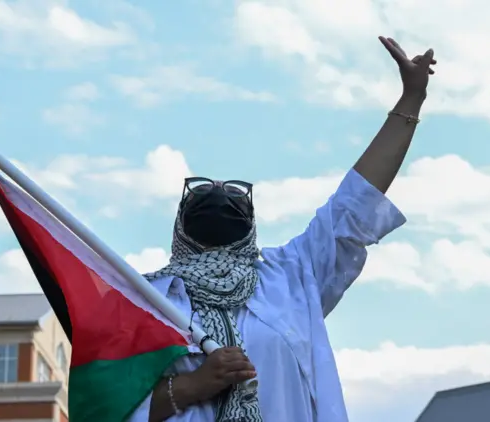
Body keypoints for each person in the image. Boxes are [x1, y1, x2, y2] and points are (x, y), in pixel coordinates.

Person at [128, 36, 437, 422]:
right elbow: (104, 407)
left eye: (234, 194)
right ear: (180, 225)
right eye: (205, 192)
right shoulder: (143, 299)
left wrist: (412, 98)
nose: (220, 192)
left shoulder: (291, 277)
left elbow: (354, 201)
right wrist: (190, 387)